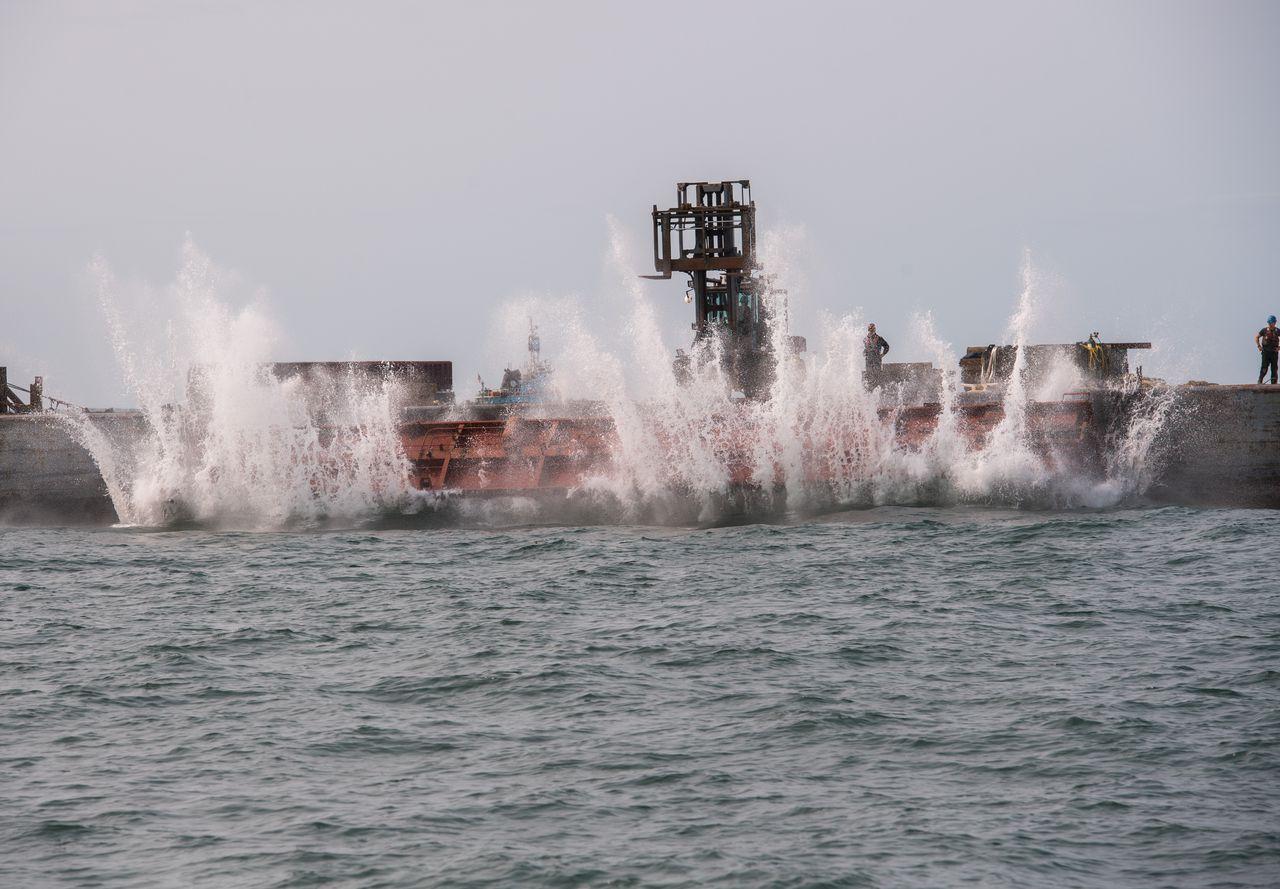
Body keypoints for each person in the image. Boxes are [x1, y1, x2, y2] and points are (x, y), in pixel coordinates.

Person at [1258, 315, 1279, 385]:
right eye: (1269, 322)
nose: (1271, 324)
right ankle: (1260, 381)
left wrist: (1279, 347)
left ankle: (1274, 383)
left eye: (1272, 322)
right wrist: (1259, 346)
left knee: (1274, 369)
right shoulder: (1264, 330)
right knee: (1264, 367)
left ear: (1275, 323)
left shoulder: (1277, 331)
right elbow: (1256, 337)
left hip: (1274, 353)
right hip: (1265, 352)